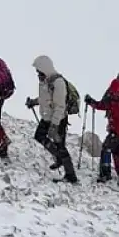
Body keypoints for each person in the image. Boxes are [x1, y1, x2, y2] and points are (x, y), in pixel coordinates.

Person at [26, 55, 77, 183]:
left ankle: (71, 176)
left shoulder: (58, 82)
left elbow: (60, 106)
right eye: (37, 71)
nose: (37, 73)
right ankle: (58, 157)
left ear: (45, 68)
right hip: (47, 117)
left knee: (60, 146)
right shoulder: (45, 81)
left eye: (39, 70)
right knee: (39, 136)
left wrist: (54, 126)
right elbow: (46, 100)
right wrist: (34, 102)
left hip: (58, 120)